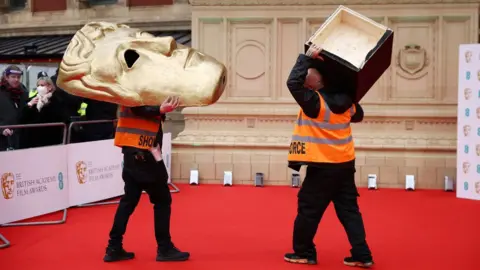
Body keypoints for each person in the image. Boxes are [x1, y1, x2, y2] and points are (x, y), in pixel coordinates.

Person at [283, 45, 373, 268]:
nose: (305, 79)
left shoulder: (315, 103)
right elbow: (358, 114)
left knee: (308, 210)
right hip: (345, 165)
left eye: (309, 77)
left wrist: (305, 58)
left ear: (318, 83)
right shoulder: (348, 104)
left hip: (322, 167)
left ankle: (304, 252)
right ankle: (362, 254)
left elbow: (292, 83)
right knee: (349, 211)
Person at [104, 96, 190, 263]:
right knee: (162, 201)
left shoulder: (130, 86)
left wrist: (160, 110)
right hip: (146, 155)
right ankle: (164, 248)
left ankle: (113, 247)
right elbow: (139, 107)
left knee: (128, 202)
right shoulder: (136, 89)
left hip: (132, 154)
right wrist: (160, 109)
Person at [0, 65, 30, 151]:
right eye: (13, 77)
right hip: (3, 139)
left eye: (18, 77)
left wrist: (31, 106)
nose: (16, 80)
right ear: (6, 77)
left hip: (19, 138)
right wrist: (1, 129)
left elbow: (24, 115)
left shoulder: (23, 92)